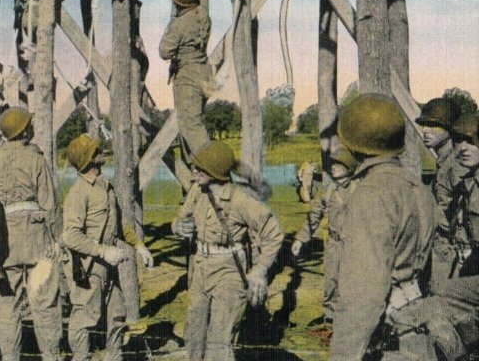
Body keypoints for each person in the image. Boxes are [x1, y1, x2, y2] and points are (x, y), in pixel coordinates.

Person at [330, 93, 437, 360]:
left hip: (384, 332)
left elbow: (362, 296)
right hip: (415, 320)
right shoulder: (417, 186)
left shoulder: (370, 194)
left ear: (354, 144)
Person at [172, 141, 283, 361]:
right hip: (200, 267)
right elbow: (180, 218)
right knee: (194, 332)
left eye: (201, 168)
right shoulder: (197, 190)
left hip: (229, 271)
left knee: (219, 340)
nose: (195, 172)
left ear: (215, 171)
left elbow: (274, 233)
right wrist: (177, 226)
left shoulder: (240, 200)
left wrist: (260, 270)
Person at [62, 134, 153, 361]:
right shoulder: (78, 193)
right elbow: (70, 236)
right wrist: (103, 251)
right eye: (96, 151)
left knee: (116, 315)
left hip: (108, 268)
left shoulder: (105, 186)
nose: (101, 152)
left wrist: (139, 245)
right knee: (84, 319)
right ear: (90, 160)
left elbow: (120, 222)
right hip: (88, 268)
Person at [0, 107, 62, 361]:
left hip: (4, 242)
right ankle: (51, 356)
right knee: (45, 303)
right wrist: (58, 240)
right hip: (37, 240)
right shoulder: (36, 159)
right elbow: (50, 205)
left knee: (7, 305)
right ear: (24, 130)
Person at [158, 0, 214, 156]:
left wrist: (172, 21)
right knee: (195, 120)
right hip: (205, 74)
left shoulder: (179, 26)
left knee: (190, 126)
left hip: (188, 78)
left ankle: (211, 166)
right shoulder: (203, 11)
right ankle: (200, 168)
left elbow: (164, 52)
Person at [291, 149, 358, 323]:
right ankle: (330, 320)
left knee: (354, 284)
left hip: (357, 245)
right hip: (334, 244)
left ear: (349, 167)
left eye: (339, 164)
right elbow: (314, 216)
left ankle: (352, 321)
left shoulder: (360, 189)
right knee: (330, 283)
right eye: (333, 164)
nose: (334, 167)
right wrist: (300, 238)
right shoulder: (328, 191)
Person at [415, 97, 467, 290]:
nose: (425, 130)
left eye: (433, 125)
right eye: (423, 125)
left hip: (451, 251)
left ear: (449, 128)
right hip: (441, 248)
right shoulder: (443, 163)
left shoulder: (456, 165)